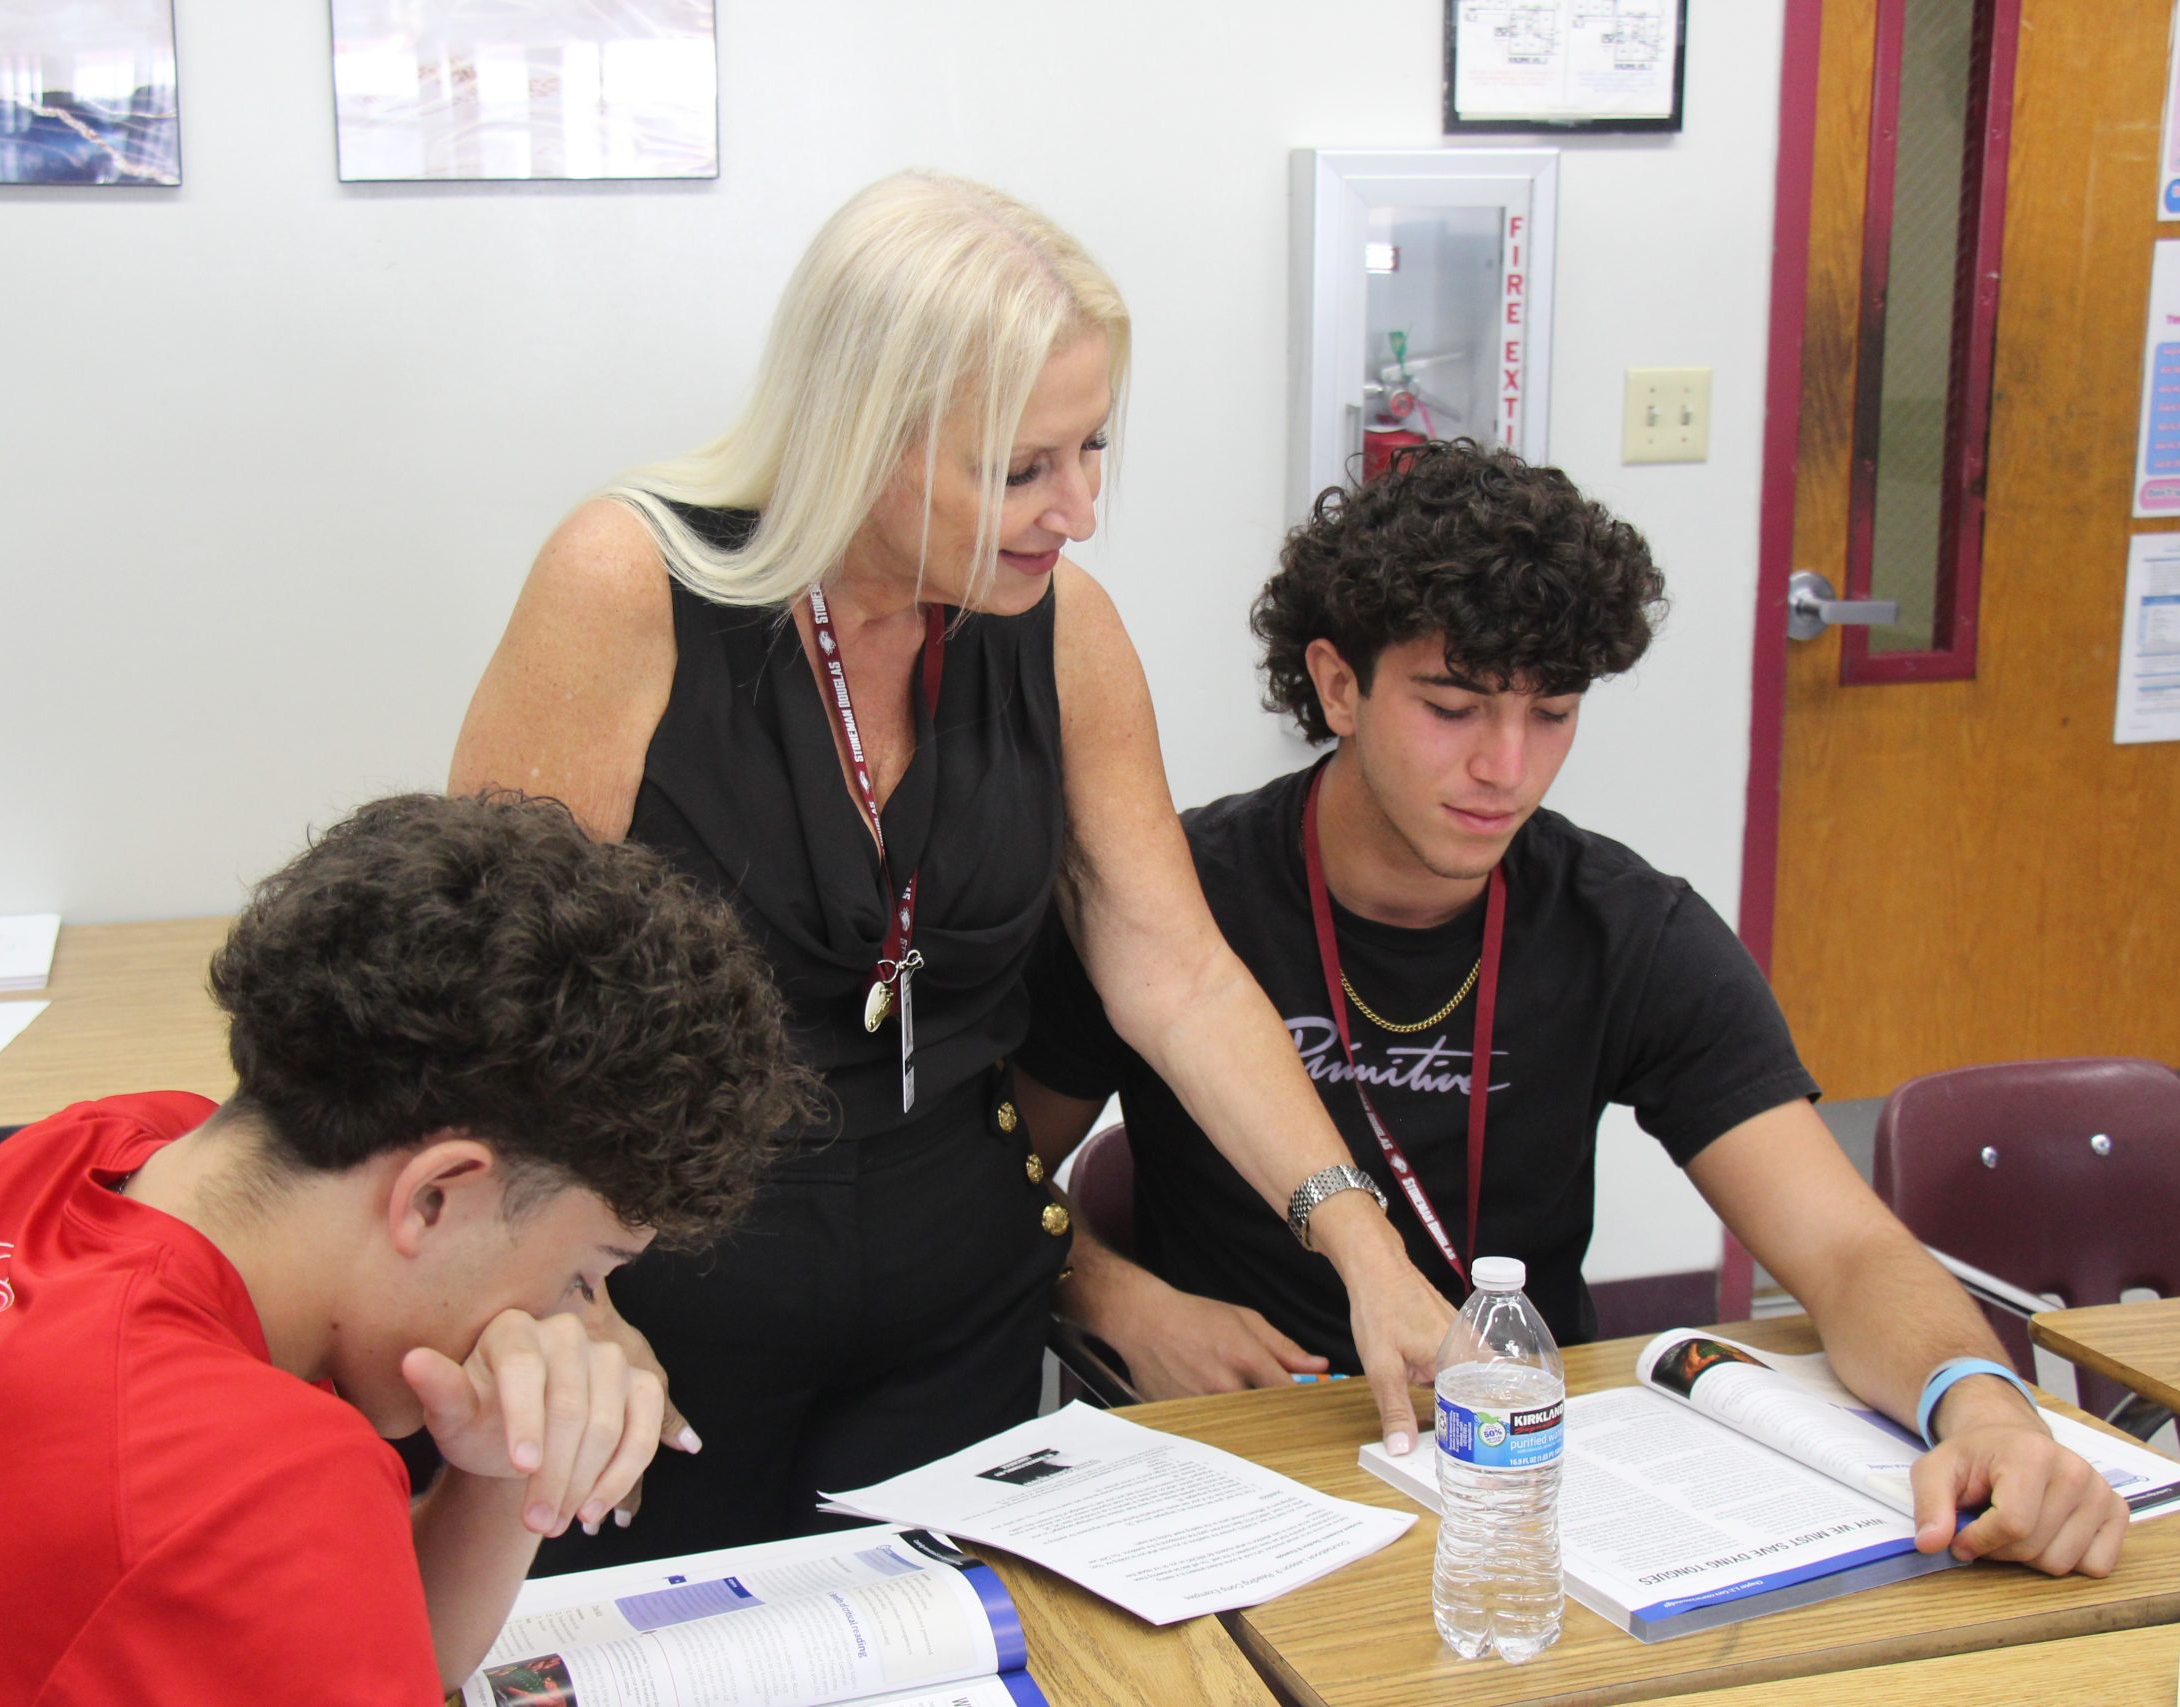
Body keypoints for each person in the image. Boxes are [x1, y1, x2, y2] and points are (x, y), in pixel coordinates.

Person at [449, 170, 1460, 1566]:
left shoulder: (1062, 630)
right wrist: (558, 1300)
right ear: (863, 435)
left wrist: (1362, 1243)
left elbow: (1173, 969)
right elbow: (480, 1001)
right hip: (659, 1307)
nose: (1080, 508)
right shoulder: (628, 586)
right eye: (1025, 468)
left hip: (957, 1309)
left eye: (1095, 447)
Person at [1016, 438, 2131, 1577]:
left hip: (1519, 1467)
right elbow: (980, 1170)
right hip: (1244, 1453)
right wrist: (1122, 1301)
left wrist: (1986, 1412)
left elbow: (1845, 1248)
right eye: (1451, 708)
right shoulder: (1167, 903)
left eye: (1550, 713)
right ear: (1339, 685)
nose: (1506, 766)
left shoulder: (1625, 930)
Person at [0, 793, 814, 1707]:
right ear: (434, 1198)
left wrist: (493, 1470)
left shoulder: (91, 1152)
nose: (575, 1323)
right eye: (585, 1278)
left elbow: (389, 1655)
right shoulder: (262, 1479)